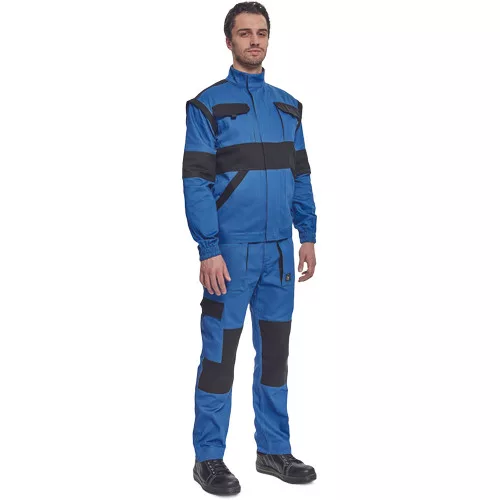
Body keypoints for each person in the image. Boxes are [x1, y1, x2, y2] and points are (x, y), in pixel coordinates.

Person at [182, 2, 318, 495]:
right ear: (229, 41)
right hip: (230, 255)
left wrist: (308, 234)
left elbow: (300, 174)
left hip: (279, 254)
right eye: (244, 33)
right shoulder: (207, 106)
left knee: (275, 357)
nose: (254, 40)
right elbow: (196, 182)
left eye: (261, 32)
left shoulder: (288, 106)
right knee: (220, 360)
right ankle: (209, 459)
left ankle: (273, 450)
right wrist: (208, 248)